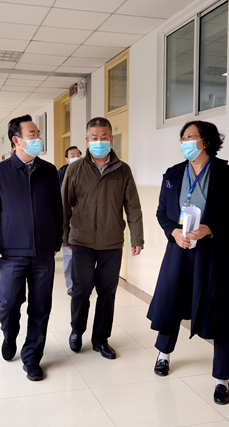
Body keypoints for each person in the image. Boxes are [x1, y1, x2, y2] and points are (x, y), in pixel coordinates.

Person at [147, 120, 229, 406]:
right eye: (183, 137)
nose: (185, 142)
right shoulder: (173, 173)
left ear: (207, 141)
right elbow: (162, 212)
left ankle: (222, 378)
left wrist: (210, 229)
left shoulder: (225, 173)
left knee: (220, 310)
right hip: (179, 249)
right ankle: (163, 354)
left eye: (191, 137)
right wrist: (173, 232)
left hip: (213, 252)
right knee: (171, 302)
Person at [0, 114, 62, 382]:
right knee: (8, 303)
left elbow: (57, 208)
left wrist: (57, 239)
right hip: (12, 253)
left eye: (38, 133)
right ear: (16, 140)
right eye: (32, 134)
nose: (38, 138)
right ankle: (9, 334)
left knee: (41, 307)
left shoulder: (48, 171)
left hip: (43, 254)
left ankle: (32, 356)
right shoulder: (0, 173)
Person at [62, 117, 144, 360]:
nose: (99, 142)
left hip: (111, 242)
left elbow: (133, 206)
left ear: (111, 139)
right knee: (80, 290)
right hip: (81, 241)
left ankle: (101, 338)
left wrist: (137, 238)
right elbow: (63, 206)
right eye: (94, 138)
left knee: (107, 292)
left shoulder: (123, 170)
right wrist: (64, 238)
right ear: (87, 140)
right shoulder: (75, 169)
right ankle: (77, 331)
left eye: (104, 137)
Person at [57, 146, 82, 296]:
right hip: (67, 216)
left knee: (82, 254)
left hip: (83, 217)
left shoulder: (86, 170)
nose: (76, 157)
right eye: (72, 155)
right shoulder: (61, 173)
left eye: (78, 154)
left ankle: (82, 283)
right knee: (69, 253)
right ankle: (71, 285)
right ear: (66, 159)